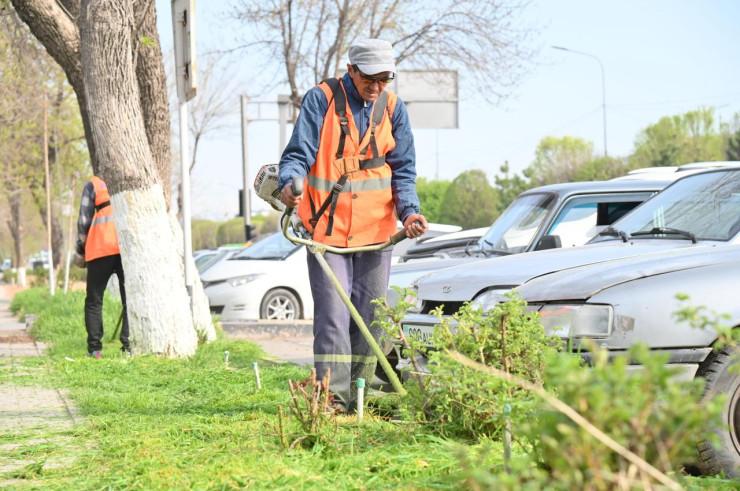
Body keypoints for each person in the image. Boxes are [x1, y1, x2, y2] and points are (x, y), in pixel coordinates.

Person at [279, 38, 428, 411]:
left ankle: (362, 396)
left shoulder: (394, 109)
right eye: (370, 80)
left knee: (370, 317)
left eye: (384, 80)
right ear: (351, 71)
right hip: (327, 233)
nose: (376, 88)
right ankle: (332, 396)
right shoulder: (322, 100)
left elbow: (404, 171)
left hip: (376, 235)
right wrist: (289, 184)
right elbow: (298, 154)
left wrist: (409, 213)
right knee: (333, 316)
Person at [74, 176, 130, 358]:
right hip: (126, 249)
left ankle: (95, 349)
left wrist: (80, 251)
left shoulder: (94, 184)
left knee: (94, 301)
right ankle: (128, 347)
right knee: (129, 300)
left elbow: (84, 221)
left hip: (100, 249)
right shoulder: (131, 180)